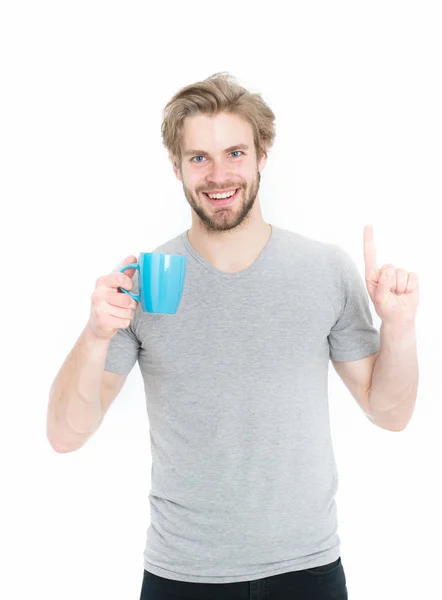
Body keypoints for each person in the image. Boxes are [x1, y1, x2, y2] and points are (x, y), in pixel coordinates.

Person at [47, 72, 419, 600]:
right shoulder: (142, 284)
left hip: (308, 571)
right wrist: (93, 335)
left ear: (263, 153)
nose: (218, 174)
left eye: (235, 153)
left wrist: (399, 328)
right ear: (175, 166)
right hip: (182, 576)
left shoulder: (324, 270)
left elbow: (391, 413)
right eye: (198, 157)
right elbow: (65, 435)